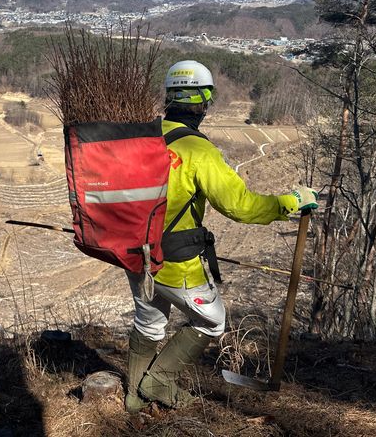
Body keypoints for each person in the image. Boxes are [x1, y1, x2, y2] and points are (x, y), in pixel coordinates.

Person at [124, 60, 318, 412]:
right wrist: (291, 201)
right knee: (212, 321)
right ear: (203, 101)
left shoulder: (145, 134)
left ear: (170, 97)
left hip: (133, 250)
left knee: (149, 322)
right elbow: (240, 206)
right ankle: (157, 383)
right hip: (174, 258)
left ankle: (134, 401)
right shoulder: (199, 151)